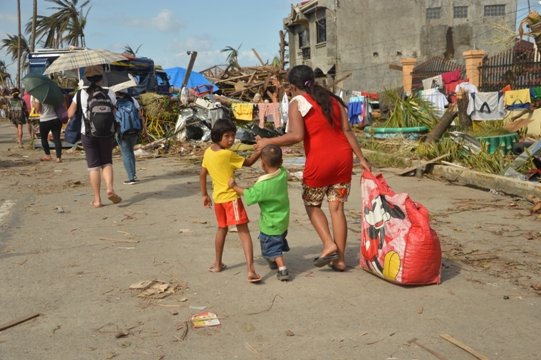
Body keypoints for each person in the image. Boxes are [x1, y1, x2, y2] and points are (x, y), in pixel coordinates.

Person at [255, 65, 371, 271]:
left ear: (292, 87)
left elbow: (296, 136)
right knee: (337, 208)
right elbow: (347, 130)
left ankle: (329, 244)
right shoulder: (333, 100)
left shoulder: (297, 102)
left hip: (320, 161)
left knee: (311, 204)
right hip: (343, 160)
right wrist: (361, 158)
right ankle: (340, 260)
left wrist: (266, 142)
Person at [200, 119, 262, 283]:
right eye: (226, 136)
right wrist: (260, 151)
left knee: (222, 229)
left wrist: (204, 195)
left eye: (233, 135)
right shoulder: (228, 154)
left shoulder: (208, 152)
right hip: (231, 198)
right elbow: (248, 163)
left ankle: (218, 264)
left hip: (218, 199)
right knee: (244, 232)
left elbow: (202, 173)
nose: (231, 139)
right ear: (217, 136)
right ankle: (251, 270)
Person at [228, 144, 290, 281]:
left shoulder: (262, 186)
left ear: (262, 163)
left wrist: (234, 186)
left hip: (270, 224)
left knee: (273, 248)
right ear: (281, 162)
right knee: (278, 241)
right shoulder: (283, 173)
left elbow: (249, 194)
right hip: (283, 220)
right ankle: (273, 260)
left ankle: (282, 269)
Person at [67, 65, 121, 208]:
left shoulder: (80, 94)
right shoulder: (110, 93)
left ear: (87, 78)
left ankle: (97, 200)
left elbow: (69, 115)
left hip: (88, 133)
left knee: (94, 167)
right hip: (107, 133)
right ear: (101, 77)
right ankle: (110, 188)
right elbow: (115, 114)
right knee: (107, 163)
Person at [114, 90, 149, 185]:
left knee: (125, 153)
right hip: (135, 130)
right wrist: (145, 131)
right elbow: (140, 116)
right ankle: (133, 174)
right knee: (130, 151)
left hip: (122, 132)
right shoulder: (132, 99)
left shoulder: (114, 101)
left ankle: (131, 178)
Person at [32, 96, 63, 163]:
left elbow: (37, 109)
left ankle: (48, 155)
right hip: (55, 118)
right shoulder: (53, 95)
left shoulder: (39, 96)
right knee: (57, 138)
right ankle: (58, 157)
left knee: (44, 138)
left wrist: (34, 103)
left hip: (45, 120)